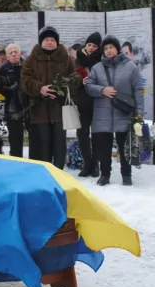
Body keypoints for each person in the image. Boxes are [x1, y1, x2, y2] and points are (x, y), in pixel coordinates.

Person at [85, 35, 144, 186]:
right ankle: (105, 175)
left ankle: (126, 174)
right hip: (102, 114)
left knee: (125, 146)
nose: (108, 50)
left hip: (123, 113)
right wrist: (102, 90)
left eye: (111, 47)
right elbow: (88, 87)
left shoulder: (131, 66)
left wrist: (139, 111)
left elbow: (138, 90)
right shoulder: (97, 68)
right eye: (105, 48)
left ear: (117, 49)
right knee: (104, 148)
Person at [22, 26, 76, 169]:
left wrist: (63, 87)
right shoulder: (31, 59)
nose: (50, 42)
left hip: (60, 107)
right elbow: (25, 80)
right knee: (42, 143)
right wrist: (40, 88)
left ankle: (58, 171)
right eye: (46, 39)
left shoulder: (66, 59)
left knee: (59, 142)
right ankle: (44, 171)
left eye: (52, 39)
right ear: (41, 42)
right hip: (39, 108)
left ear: (57, 42)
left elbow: (74, 78)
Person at [74, 32, 102, 177]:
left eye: (95, 46)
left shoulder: (101, 61)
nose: (91, 48)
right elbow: (71, 80)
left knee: (96, 133)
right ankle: (87, 163)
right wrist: (80, 81)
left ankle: (96, 164)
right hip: (82, 102)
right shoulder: (77, 60)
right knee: (82, 133)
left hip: (97, 102)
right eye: (89, 45)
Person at [0, 44, 27, 158]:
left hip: (29, 105)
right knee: (15, 138)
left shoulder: (27, 66)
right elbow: (1, 88)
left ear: (20, 54)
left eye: (16, 52)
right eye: (11, 53)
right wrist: (14, 89)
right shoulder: (3, 69)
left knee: (35, 138)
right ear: (7, 56)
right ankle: (16, 159)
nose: (14, 54)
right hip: (12, 106)